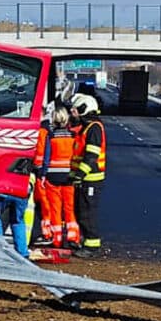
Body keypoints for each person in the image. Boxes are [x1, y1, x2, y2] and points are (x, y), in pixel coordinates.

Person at [33, 104, 79, 249]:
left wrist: (43, 175)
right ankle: (73, 237)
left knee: (55, 208)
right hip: (69, 176)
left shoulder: (51, 136)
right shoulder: (73, 136)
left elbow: (46, 157)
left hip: (53, 176)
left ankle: (57, 238)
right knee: (69, 208)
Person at [69, 92, 107, 253]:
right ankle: (85, 241)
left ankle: (92, 246)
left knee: (87, 213)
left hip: (91, 179)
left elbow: (91, 155)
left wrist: (80, 174)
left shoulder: (94, 128)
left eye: (76, 109)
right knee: (80, 211)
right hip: (84, 178)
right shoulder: (85, 127)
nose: (73, 112)